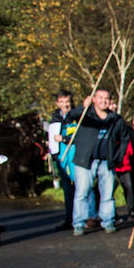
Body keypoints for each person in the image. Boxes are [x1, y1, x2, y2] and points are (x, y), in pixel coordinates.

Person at [65, 88, 131, 235]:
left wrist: (118, 157)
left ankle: (108, 221)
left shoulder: (115, 119)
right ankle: (79, 223)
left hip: (106, 161)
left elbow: (125, 138)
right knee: (82, 193)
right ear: (94, 99)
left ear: (110, 101)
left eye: (106, 98)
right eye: (100, 98)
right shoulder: (86, 115)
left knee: (107, 194)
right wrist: (84, 106)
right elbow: (69, 117)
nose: (103, 101)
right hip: (85, 160)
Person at [49, 90, 76, 230]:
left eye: (68, 102)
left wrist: (64, 139)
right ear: (57, 103)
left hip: (75, 157)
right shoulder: (55, 118)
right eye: (62, 102)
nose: (65, 105)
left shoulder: (77, 116)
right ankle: (69, 218)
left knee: (81, 189)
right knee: (68, 190)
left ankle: (85, 218)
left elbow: (81, 137)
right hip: (61, 158)